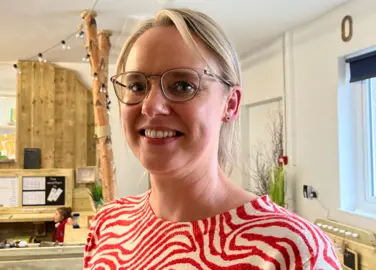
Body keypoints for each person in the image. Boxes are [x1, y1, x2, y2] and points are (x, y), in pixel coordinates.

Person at [83, 8, 340, 270]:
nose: (151, 107)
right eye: (137, 86)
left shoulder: (291, 251)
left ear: (230, 104)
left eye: (183, 85)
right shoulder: (109, 224)